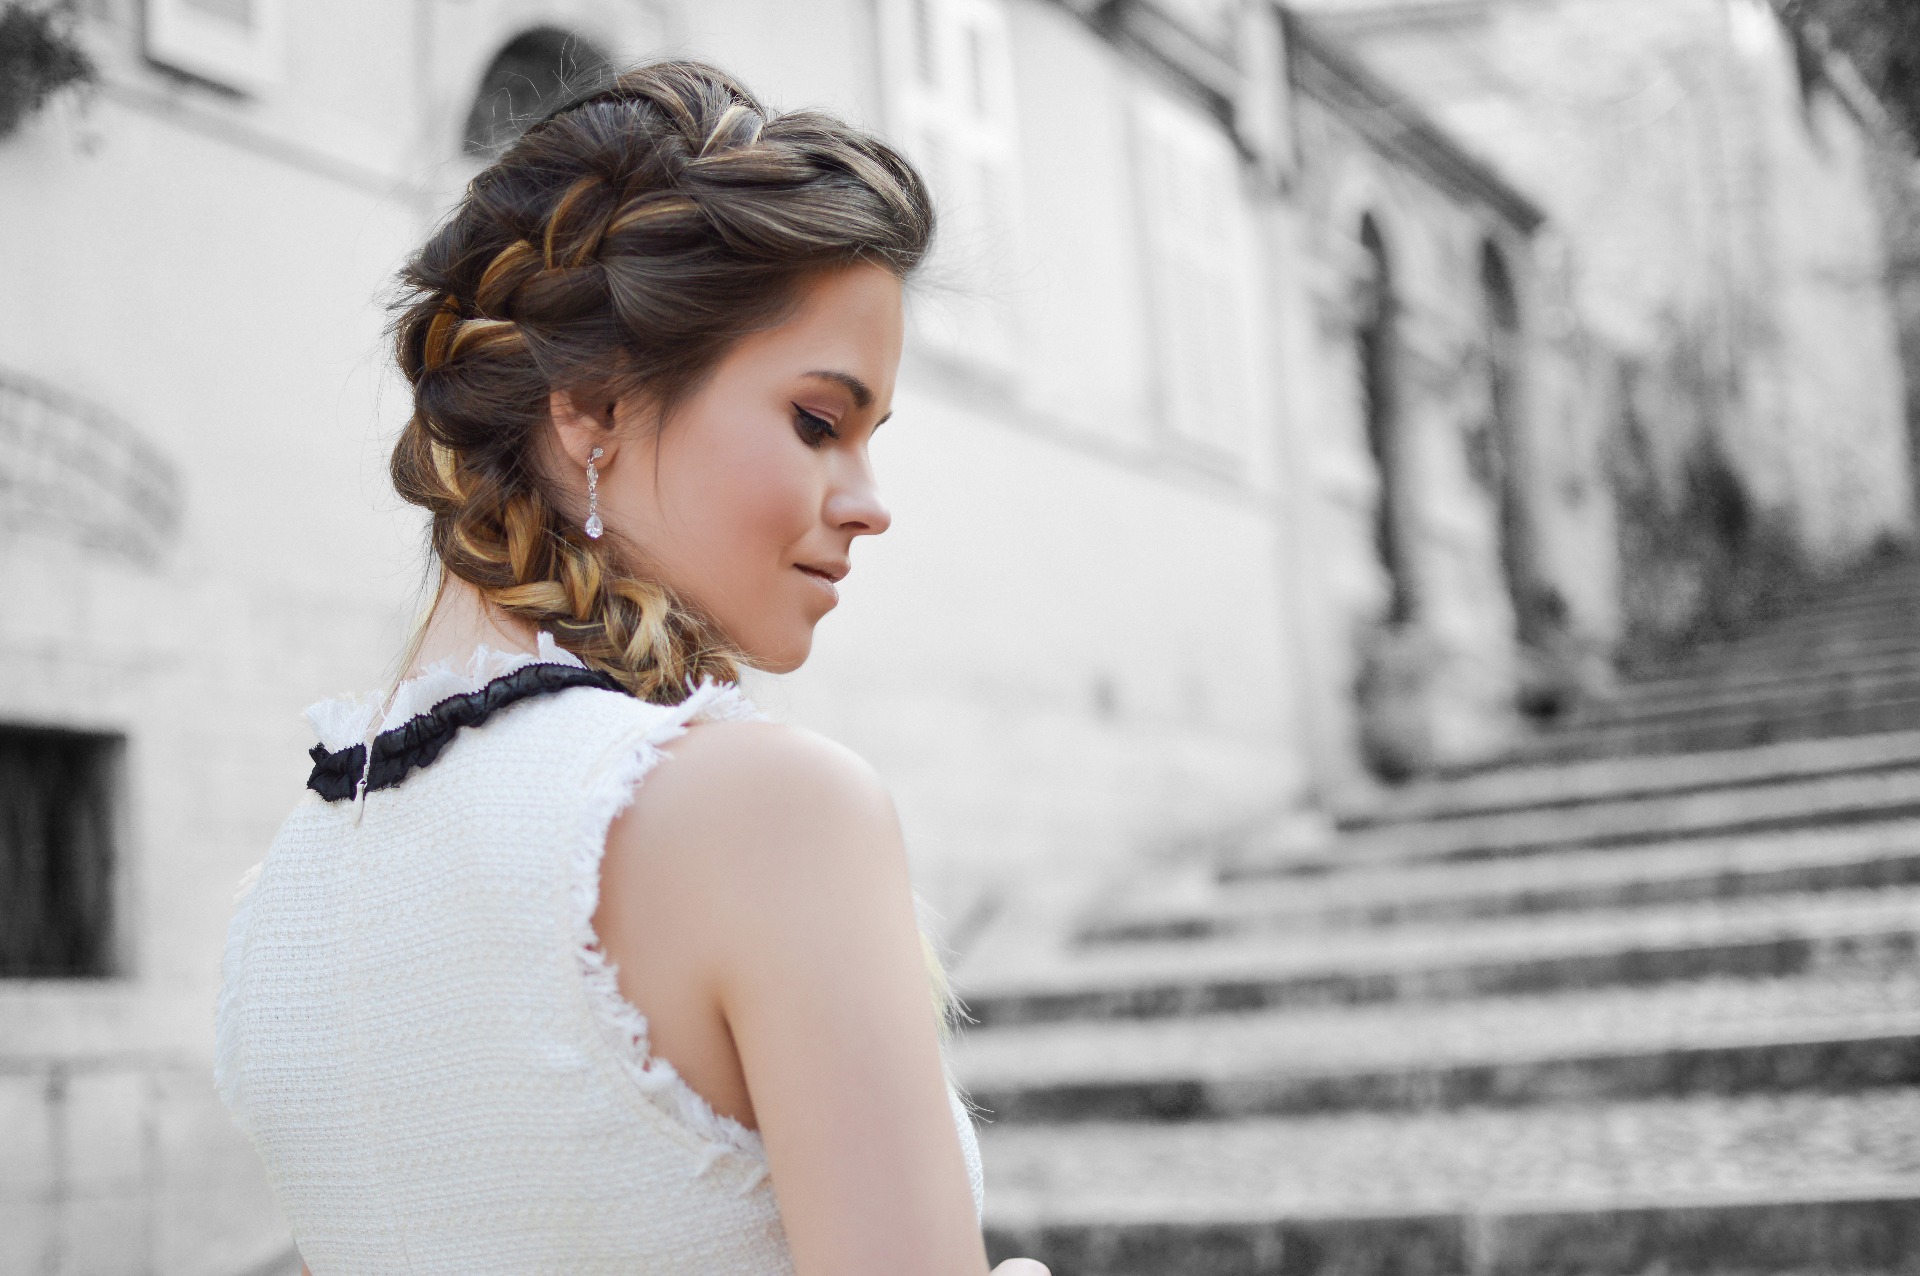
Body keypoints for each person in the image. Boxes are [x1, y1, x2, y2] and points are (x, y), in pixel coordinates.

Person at [213, 58, 1048, 1276]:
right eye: (819, 422)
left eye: (870, 439)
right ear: (594, 407)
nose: (870, 502)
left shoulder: (284, 899)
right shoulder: (772, 813)